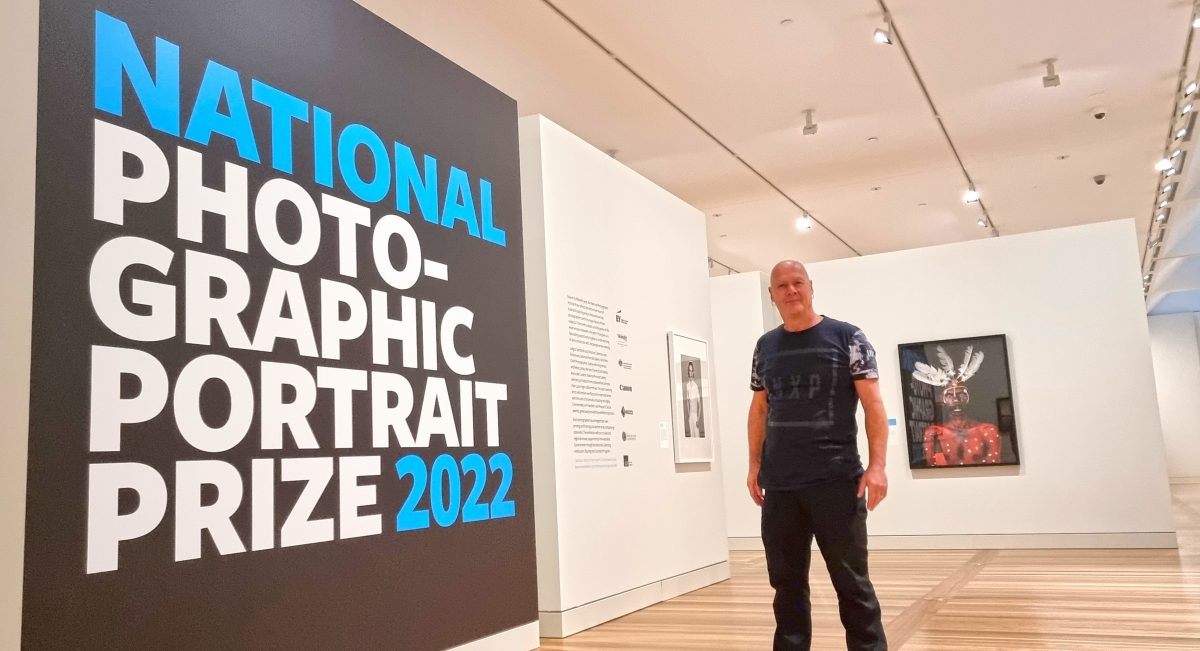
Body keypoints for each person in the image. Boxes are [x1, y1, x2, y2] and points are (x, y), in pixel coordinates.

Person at [747, 260, 889, 651]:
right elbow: (759, 409)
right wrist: (754, 464)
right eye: (782, 285)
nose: (791, 291)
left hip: (837, 481)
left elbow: (873, 405)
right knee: (786, 587)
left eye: (798, 283)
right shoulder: (765, 346)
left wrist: (877, 467)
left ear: (811, 287)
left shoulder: (847, 337)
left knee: (852, 586)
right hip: (780, 486)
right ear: (772, 294)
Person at [684, 361, 704, 437]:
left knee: (697, 437)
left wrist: (698, 419)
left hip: (695, 417)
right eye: (689, 370)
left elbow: (700, 404)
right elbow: (687, 401)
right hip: (690, 417)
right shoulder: (687, 385)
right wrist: (689, 414)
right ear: (688, 372)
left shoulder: (696, 386)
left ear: (693, 372)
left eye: (692, 371)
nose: (691, 372)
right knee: (691, 438)